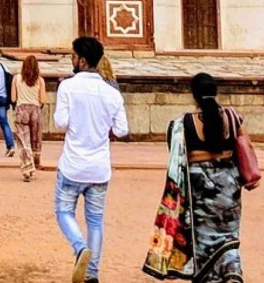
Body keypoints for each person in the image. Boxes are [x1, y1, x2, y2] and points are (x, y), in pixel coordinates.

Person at [144, 73, 253, 282]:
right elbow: (246, 147)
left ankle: (210, 277)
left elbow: (176, 157)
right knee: (228, 234)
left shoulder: (184, 123)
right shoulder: (232, 118)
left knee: (203, 238)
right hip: (229, 187)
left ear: (193, 95)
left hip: (199, 189)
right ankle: (232, 270)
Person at [54, 36, 128, 283]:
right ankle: (92, 274)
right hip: (99, 167)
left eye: (73, 56)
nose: (72, 60)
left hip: (73, 165)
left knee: (64, 211)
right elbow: (121, 130)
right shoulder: (112, 93)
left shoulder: (67, 87)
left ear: (82, 61)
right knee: (95, 222)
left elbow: (60, 122)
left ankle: (79, 247)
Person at [11, 54, 46, 181]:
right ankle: (35, 164)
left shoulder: (17, 78)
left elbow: (13, 98)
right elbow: (42, 99)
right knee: (35, 139)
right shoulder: (40, 80)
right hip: (35, 109)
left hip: (21, 109)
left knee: (23, 141)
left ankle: (27, 169)